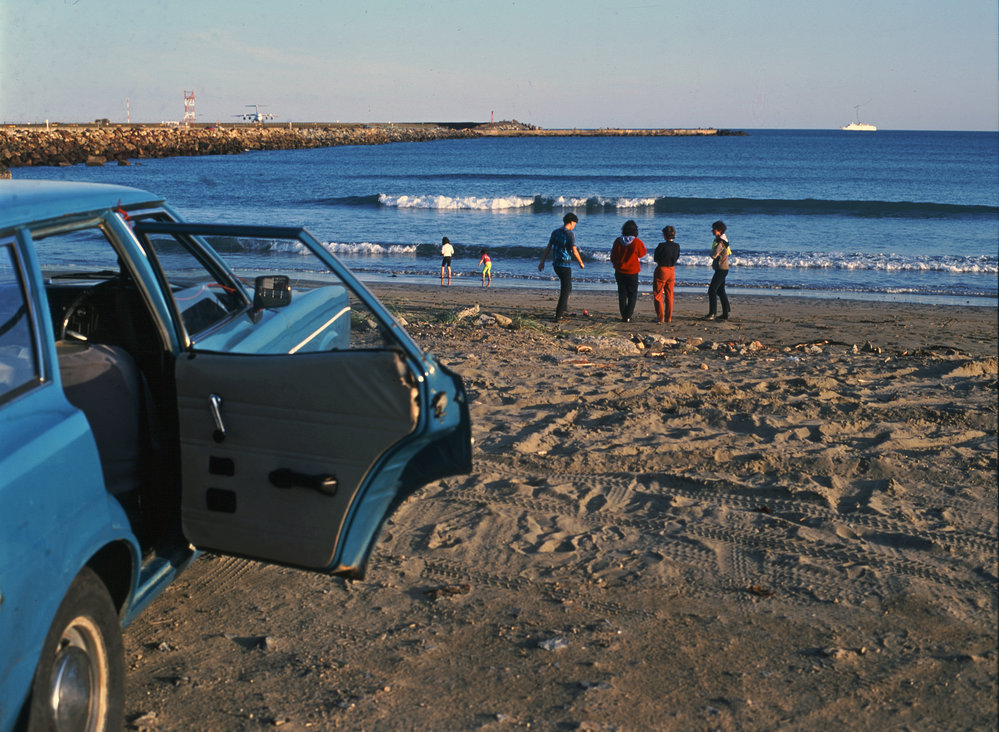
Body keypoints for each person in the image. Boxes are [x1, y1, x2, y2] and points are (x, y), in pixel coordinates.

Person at [539, 212, 584, 321]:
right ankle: (559, 315)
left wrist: (542, 261)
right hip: (564, 265)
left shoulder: (555, 232)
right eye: (574, 224)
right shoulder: (570, 234)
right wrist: (581, 262)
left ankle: (564, 310)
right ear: (571, 222)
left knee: (568, 286)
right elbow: (574, 250)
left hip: (556, 264)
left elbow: (548, 247)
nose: (574, 226)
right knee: (565, 289)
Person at [609, 220, 647, 323]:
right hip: (632, 271)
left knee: (622, 294)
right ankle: (628, 316)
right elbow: (642, 254)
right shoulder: (637, 242)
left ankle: (623, 315)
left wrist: (616, 265)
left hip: (620, 271)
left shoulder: (618, 241)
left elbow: (613, 256)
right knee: (632, 294)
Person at [652, 225, 680, 323]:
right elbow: (677, 257)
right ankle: (668, 317)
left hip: (662, 269)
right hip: (672, 270)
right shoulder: (677, 246)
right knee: (669, 294)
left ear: (664, 235)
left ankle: (660, 317)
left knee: (658, 294)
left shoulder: (661, 246)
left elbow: (655, 258)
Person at [705, 220, 731, 320]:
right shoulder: (721, 239)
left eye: (714, 229)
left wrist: (712, 253)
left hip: (721, 269)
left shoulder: (721, 242)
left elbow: (714, 255)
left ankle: (712, 313)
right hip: (723, 268)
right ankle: (726, 313)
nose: (712, 231)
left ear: (719, 230)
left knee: (712, 290)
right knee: (720, 291)